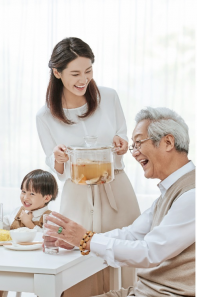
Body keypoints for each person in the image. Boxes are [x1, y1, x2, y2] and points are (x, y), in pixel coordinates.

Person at [44, 107, 195, 297]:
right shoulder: (170, 191)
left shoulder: (192, 195)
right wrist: (77, 241)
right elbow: (131, 235)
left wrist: (87, 240)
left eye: (138, 143)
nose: (134, 153)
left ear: (168, 142)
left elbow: (150, 252)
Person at [35, 37, 140, 295]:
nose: (83, 79)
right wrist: (58, 159)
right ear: (57, 72)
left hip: (116, 188)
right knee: (77, 260)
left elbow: (122, 136)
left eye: (88, 71)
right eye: (75, 73)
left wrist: (122, 143)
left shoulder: (109, 97)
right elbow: (53, 162)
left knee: (126, 257)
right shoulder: (45, 115)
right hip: (78, 196)